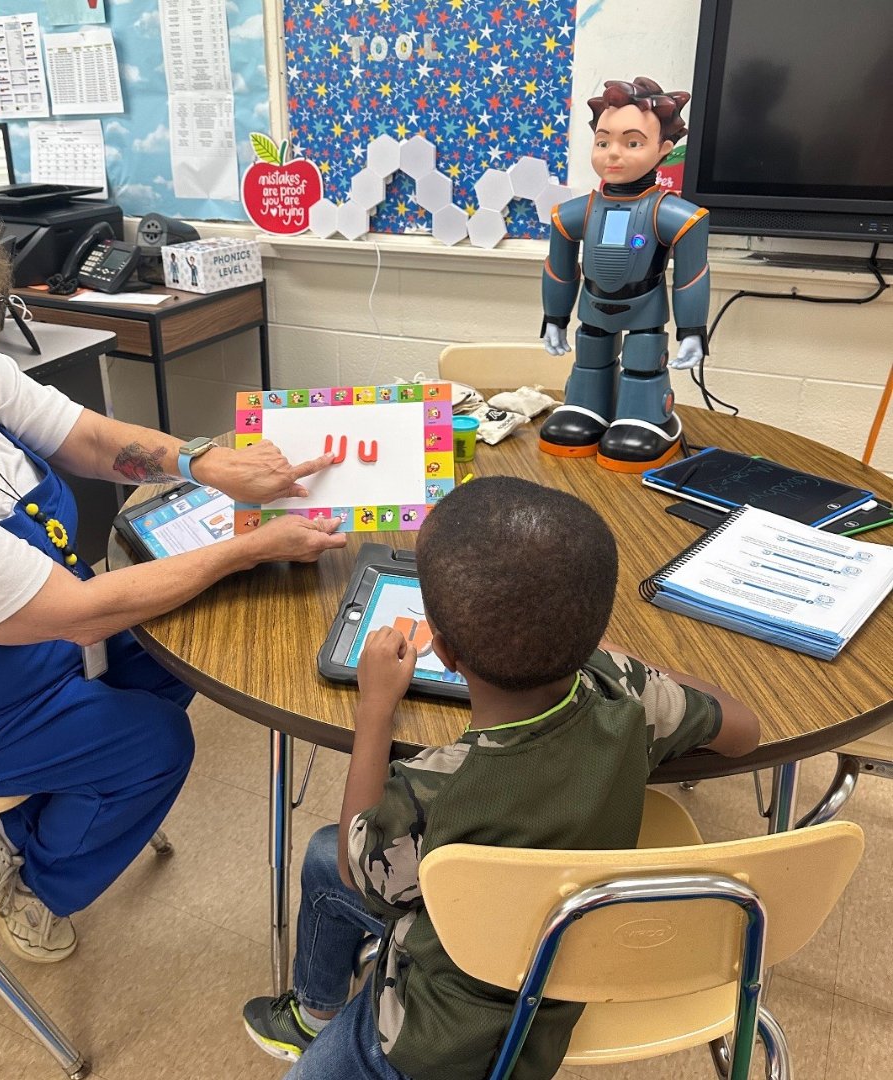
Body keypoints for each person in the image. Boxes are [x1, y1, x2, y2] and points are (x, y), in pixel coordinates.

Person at [0, 172, 346, 970]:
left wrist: (206, 463)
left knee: (193, 636)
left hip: (22, 640)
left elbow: (89, 440)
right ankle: (32, 876)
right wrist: (246, 546)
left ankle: (39, 806)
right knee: (151, 742)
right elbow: (84, 613)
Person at [242, 476, 759, 1080]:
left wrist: (375, 709)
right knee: (321, 855)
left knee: (338, 862)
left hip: (435, 1040)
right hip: (568, 936)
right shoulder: (633, 699)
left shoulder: (432, 789)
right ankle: (315, 1009)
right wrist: (625, 665)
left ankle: (324, 1027)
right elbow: (744, 728)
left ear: (445, 651)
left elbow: (363, 872)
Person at [539, 77, 711, 472]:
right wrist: (554, 318)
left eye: (632, 143)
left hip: (645, 310)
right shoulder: (574, 213)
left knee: (643, 362)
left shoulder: (674, 216)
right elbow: (559, 269)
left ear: (663, 150)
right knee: (591, 358)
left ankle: (645, 417)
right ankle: (586, 408)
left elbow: (691, 276)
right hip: (594, 306)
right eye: (603, 142)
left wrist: (692, 331)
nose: (613, 154)